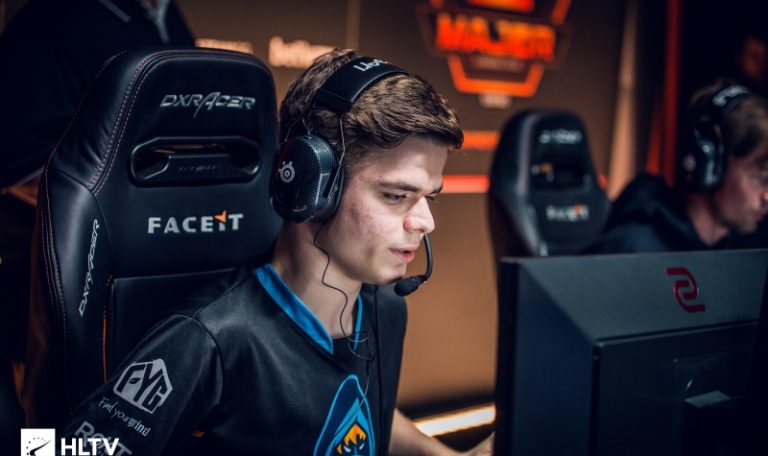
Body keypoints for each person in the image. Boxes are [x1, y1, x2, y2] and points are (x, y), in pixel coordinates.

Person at [60, 49, 493, 455]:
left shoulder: (384, 308)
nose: (425, 222)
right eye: (397, 195)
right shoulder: (210, 340)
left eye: (429, 197)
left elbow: (351, 409)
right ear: (311, 186)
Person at [0, 0, 194, 440]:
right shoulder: (46, 24)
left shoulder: (166, 19)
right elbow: (21, 169)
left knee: (123, 423)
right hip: (52, 280)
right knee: (47, 421)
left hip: (144, 281)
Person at [585, 80, 768, 254]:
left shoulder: (729, 256)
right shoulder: (631, 248)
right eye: (762, 179)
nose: (766, 197)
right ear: (711, 166)